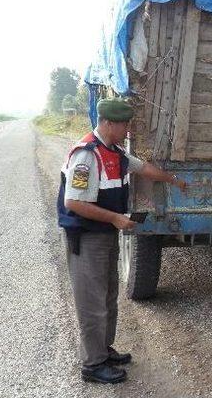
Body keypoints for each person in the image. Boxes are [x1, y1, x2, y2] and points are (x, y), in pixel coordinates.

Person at [57, 97, 187, 384]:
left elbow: (143, 169)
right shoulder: (86, 155)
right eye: (124, 124)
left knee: (107, 296)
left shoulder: (114, 152)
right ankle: (93, 365)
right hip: (87, 237)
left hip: (104, 234)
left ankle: (104, 350)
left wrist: (172, 179)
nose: (128, 129)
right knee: (91, 302)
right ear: (108, 123)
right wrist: (116, 218)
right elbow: (74, 203)